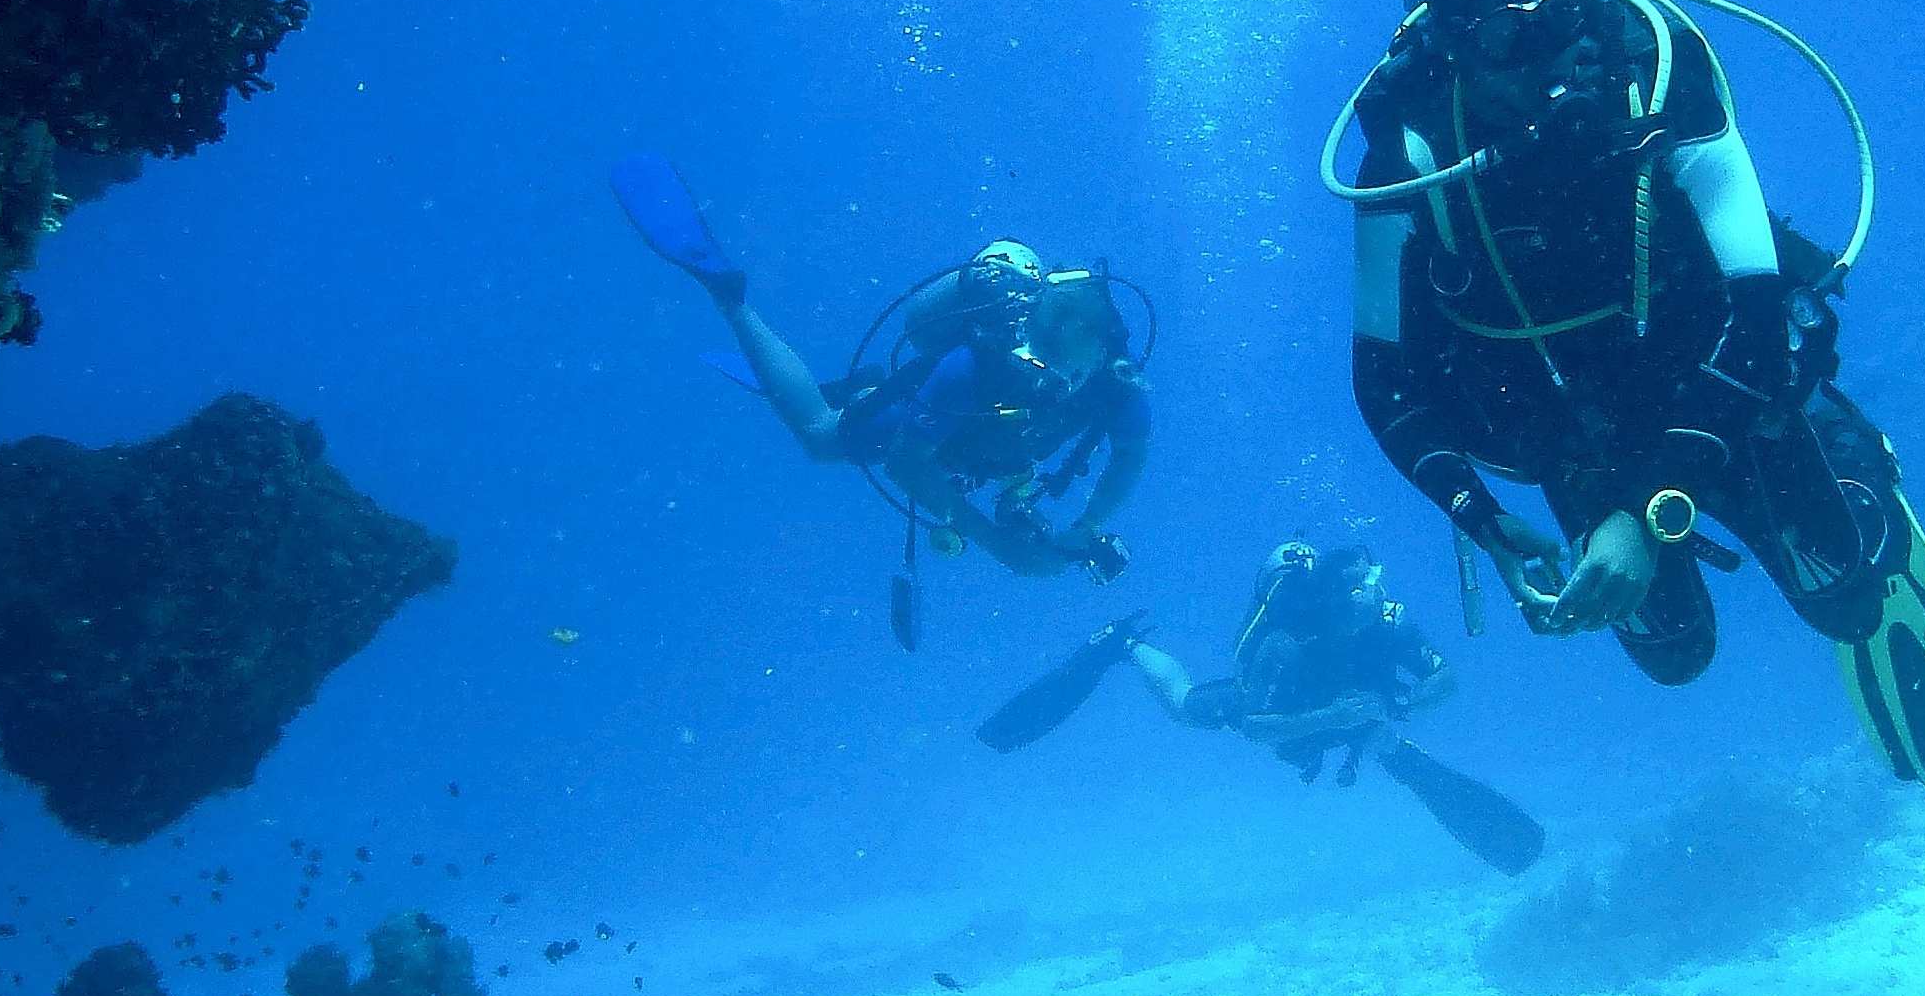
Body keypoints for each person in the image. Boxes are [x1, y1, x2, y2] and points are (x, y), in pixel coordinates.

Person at [1325, 0, 1925, 790]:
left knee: (1847, 598)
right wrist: (1482, 521)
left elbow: (1756, 318)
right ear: (1448, 40)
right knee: (1675, 656)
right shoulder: (1408, 146)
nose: (1550, 57)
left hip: (1718, 377)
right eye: (1504, 35)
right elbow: (1384, 381)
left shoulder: (1655, 69)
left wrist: (1647, 510)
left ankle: (1848, 459)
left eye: (1558, 15)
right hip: (1572, 428)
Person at [612, 155, 1150, 627]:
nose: (1052, 372)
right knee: (823, 437)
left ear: (1105, 350)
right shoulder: (979, 365)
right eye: (1044, 353)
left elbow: (1127, 456)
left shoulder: (1118, 390)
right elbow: (905, 462)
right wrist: (994, 543)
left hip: (982, 436)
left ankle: (869, 389)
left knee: (996, 458)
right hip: (941, 414)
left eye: (1071, 363)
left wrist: (1085, 527)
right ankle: (730, 297)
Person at [977, 542, 1549, 873]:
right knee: (1183, 706)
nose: (1374, 593)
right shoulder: (1284, 643)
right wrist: (1339, 718)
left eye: (1374, 582)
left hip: (1348, 709)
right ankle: (1125, 646)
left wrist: (1413, 698)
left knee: (1386, 746)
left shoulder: (1387, 624)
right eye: (1360, 586)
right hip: (1280, 706)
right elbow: (1257, 727)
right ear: (1329, 598)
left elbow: (1444, 675)